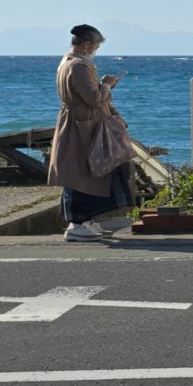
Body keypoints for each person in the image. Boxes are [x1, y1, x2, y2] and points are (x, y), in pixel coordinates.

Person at [48, 24, 134, 241]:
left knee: (86, 171)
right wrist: (105, 85)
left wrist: (104, 86)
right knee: (82, 173)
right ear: (87, 45)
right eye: (95, 46)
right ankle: (76, 225)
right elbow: (94, 98)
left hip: (79, 123)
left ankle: (85, 221)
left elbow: (87, 94)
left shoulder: (67, 62)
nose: (95, 50)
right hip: (83, 126)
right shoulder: (78, 65)